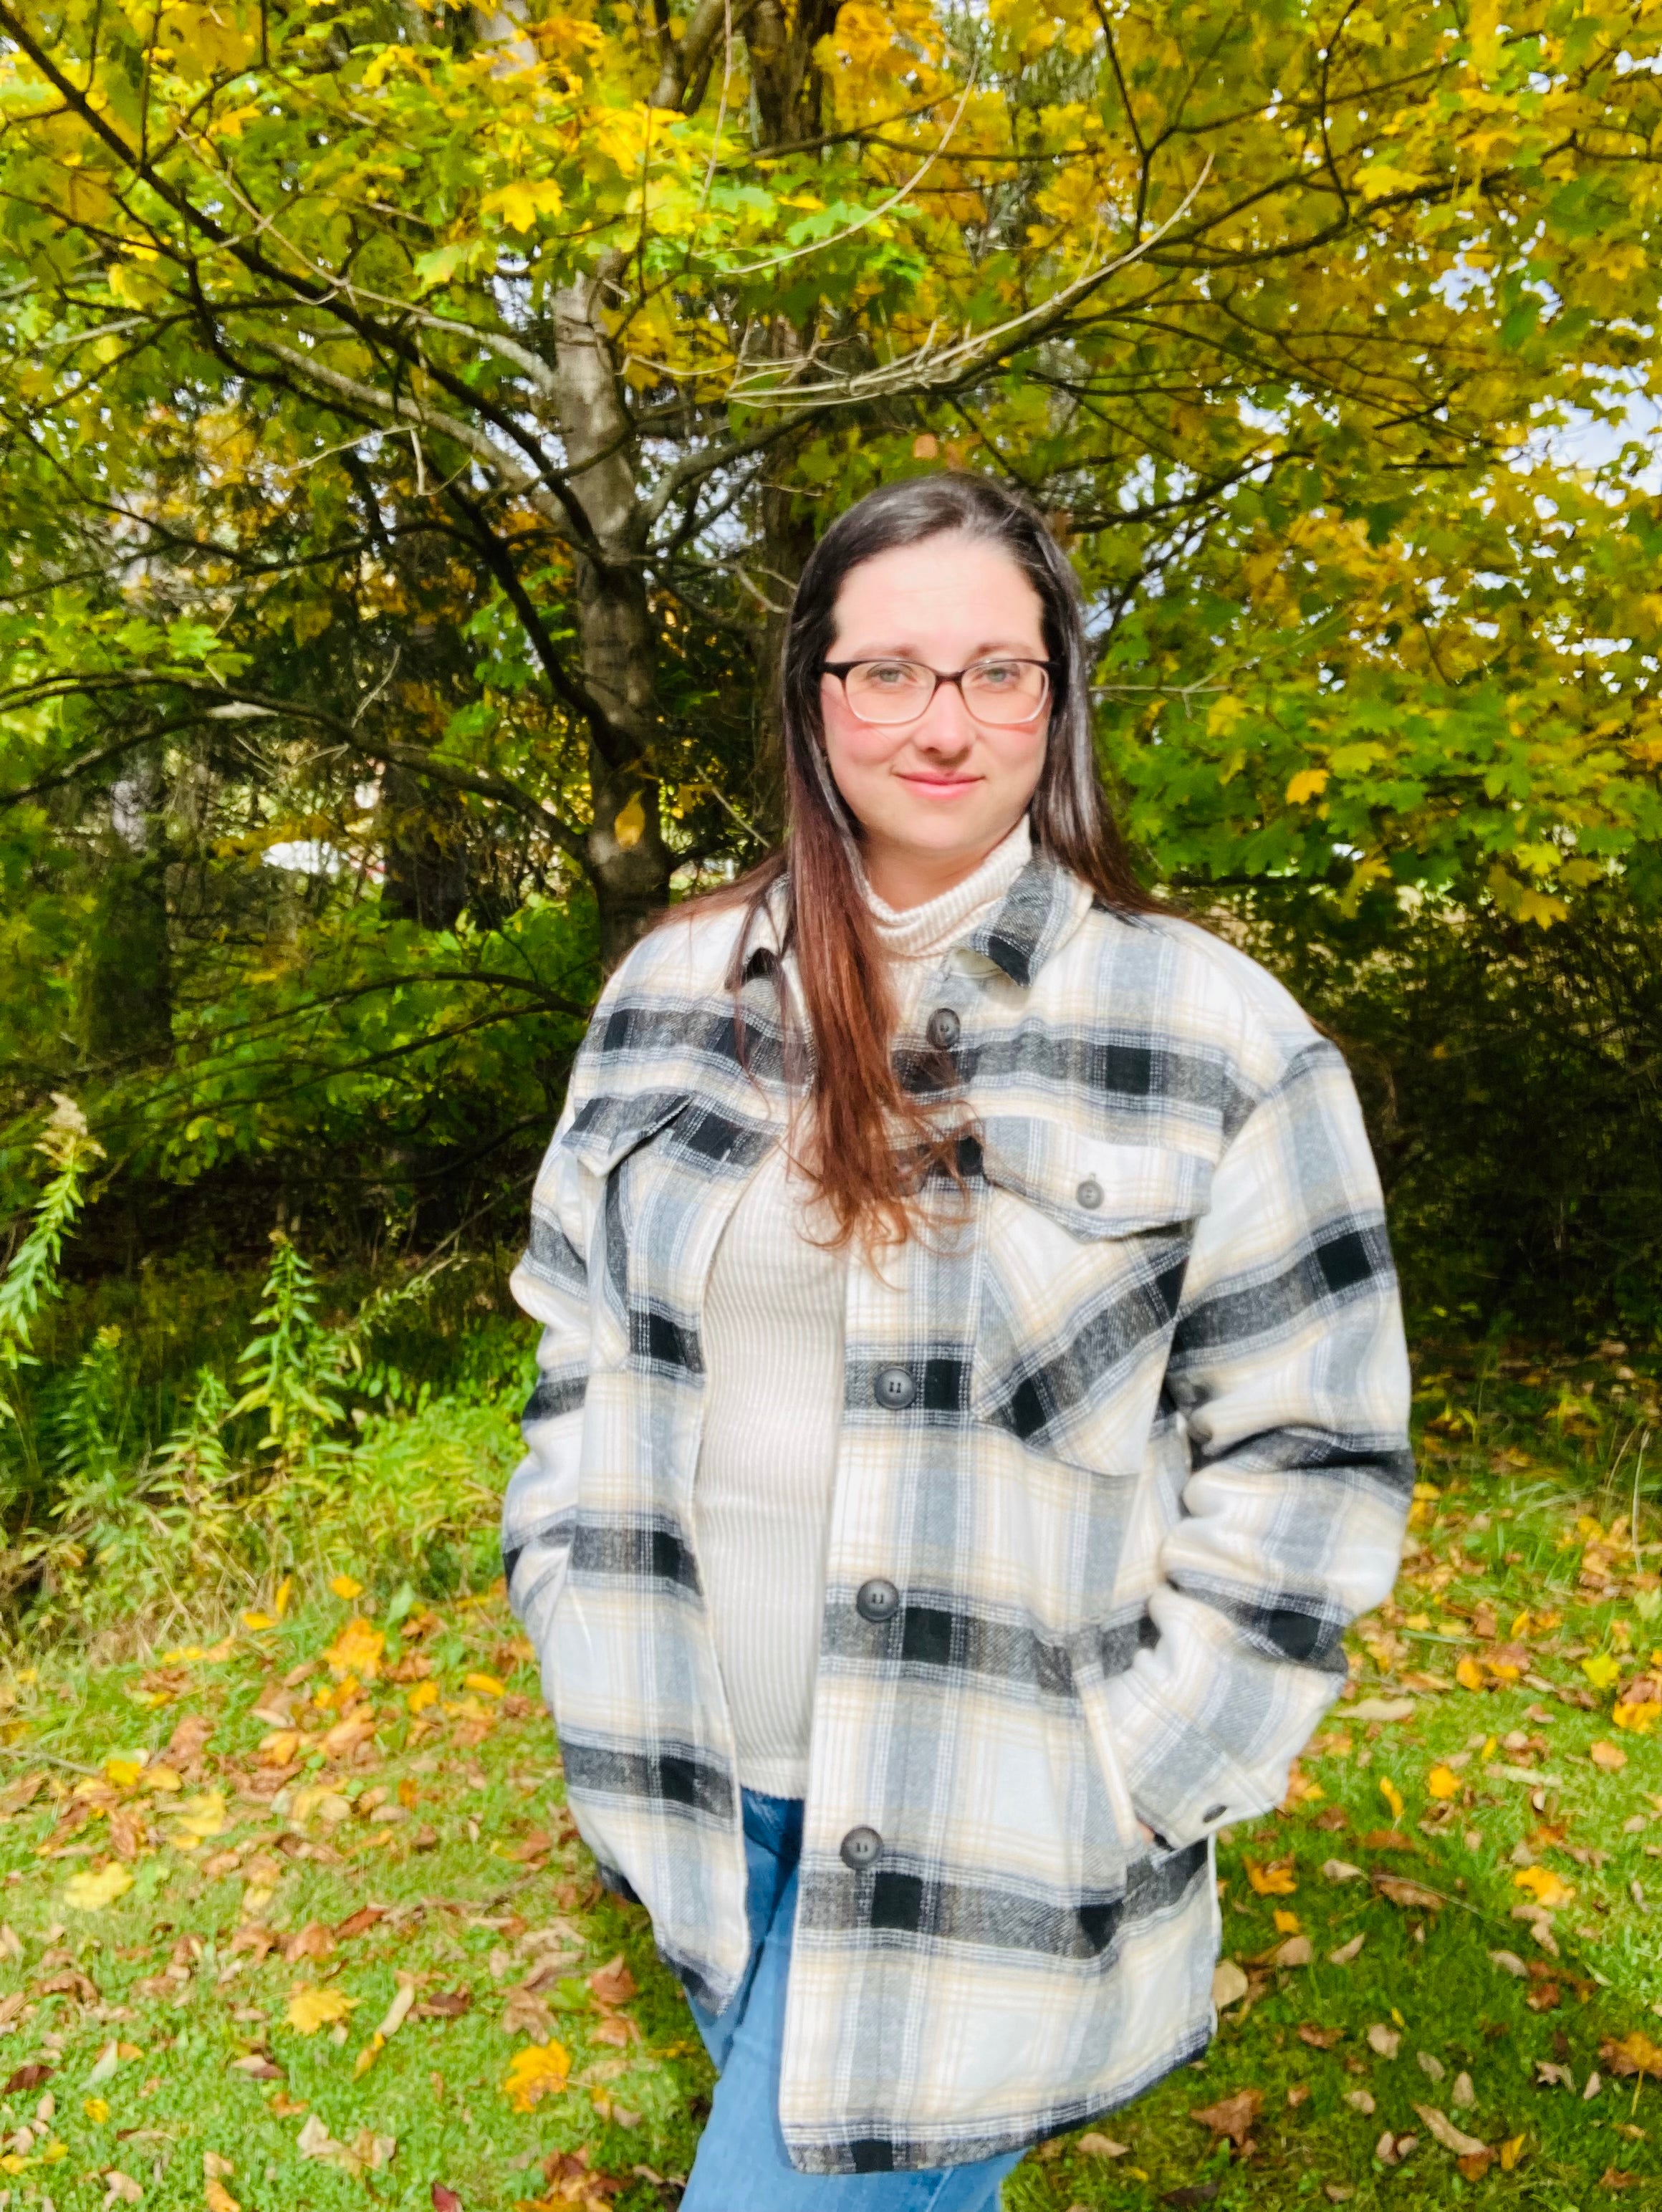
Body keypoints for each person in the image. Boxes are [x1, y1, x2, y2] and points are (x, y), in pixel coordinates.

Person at [503, 475, 1413, 2207]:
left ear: (1055, 699)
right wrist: (565, 1594)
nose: (946, 721)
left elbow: (1316, 1446)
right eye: (891, 671)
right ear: (813, 695)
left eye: (999, 671)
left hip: (984, 1822)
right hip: (695, 1786)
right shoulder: (669, 989)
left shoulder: (1210, 1029)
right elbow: (577, 1346)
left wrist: (1149, 1766)